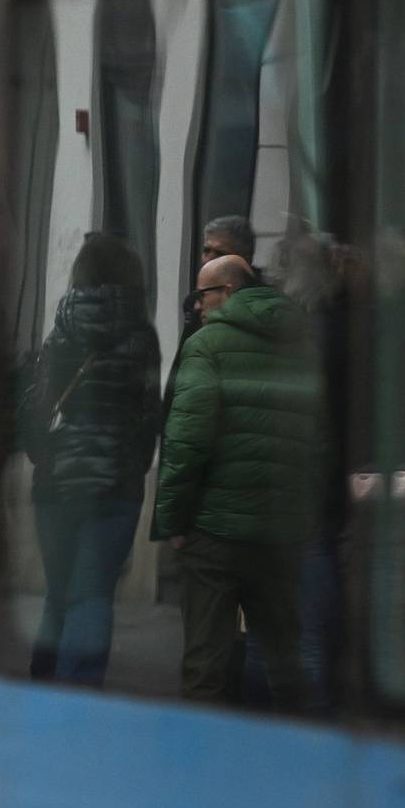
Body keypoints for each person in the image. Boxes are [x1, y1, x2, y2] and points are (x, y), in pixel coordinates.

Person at [154, 254, 323, 709]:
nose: (196, 307)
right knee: (284, 659)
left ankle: (202, 762)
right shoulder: (302, 344)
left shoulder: (207, 345)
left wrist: (172, 521)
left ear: (228, 292)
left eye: (201, 295)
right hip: (281, 532)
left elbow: (186, 442)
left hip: (216, 532)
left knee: (206, 665)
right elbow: (316, 438)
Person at [20, 233, 160, 685]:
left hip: (57, 485)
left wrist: (45, 456)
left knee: (59, 594)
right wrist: (133, 466)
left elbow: (39, 406)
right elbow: (148, 414)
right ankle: (78, 691)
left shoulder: (62, 329)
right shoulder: (143, 334)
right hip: (116, 486)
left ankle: (43, 684)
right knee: (93, 595)